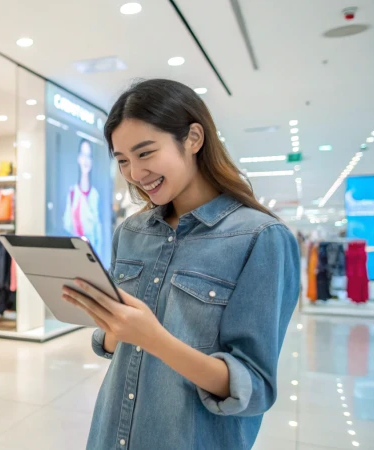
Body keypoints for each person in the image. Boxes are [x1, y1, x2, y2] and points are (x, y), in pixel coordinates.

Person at [61, 79, 300, 450]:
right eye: (122, 160)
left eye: (145, 153)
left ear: (193, 138)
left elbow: (252, 389)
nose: (134, 174)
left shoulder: (261, 238)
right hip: (111, 434)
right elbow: (116, 345)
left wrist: (153, 338)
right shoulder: (131, 232)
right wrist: (108, 322)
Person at [63, 139, 103, 256]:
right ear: (78, 158)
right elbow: (67, 227)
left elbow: (99, 234)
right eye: (83, 155)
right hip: (75, 254)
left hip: (92, 255)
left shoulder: (95, 195)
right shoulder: (72, 193)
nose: (86, 160)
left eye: (89, 156)